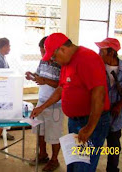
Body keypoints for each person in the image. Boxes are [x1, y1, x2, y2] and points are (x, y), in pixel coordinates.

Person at [30, 33, 111, 172]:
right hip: (75, 122)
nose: (54, 60)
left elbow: (99, 95)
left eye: (54, 57)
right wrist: (42, 107)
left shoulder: (88, 58)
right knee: (73, 164)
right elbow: (61, 88)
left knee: (83, 166)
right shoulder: (67, 62)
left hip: (90, 122)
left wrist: (89, 127)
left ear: (62, 49)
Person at [25, 36, 63, 172]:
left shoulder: (60, 62)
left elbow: (61, 85)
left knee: (54, 134)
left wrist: (44, 81)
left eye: (44, 52)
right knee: (39, 131)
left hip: (55, 104)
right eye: (41, 52)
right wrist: (32, 75)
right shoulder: (43, 61)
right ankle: (43, 154)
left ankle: (54, 160)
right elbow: (40, 75)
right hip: (41, 101)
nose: (42, 55)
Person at [95, 38, 122, 172]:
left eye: (101, 51)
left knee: (114, 145)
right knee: (94, 144)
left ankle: (112, 169)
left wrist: (119, 105)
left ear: (111, 52)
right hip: (99, 113)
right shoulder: (98, 65)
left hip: (116, 115)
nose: (99, 53)